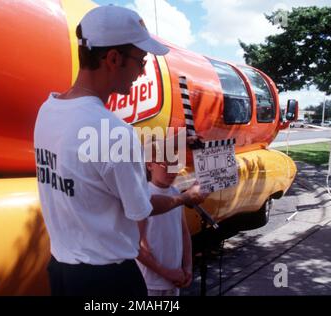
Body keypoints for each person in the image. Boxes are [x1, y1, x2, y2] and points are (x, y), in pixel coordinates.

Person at [34, 5, 206, 296]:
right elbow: (142, 208)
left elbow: (93, 171)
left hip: (62, 271)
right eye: (141, 61)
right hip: (107, 281)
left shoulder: (48, 109)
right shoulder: (113, 132)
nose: (141, 72)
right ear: (113, 58)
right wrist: (185, 199)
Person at [137, 144, 192, 296]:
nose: (171, 170)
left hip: (175, 278)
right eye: (165, 164)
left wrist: (187, 267)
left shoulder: (175, 192)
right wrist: (166, 273)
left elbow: (184, 233)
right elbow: (138, 247)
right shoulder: (144, 195)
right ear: (149, 165)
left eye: (175, 164)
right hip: (150, 282)